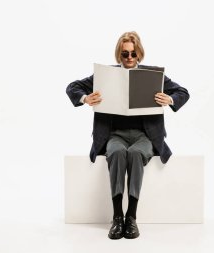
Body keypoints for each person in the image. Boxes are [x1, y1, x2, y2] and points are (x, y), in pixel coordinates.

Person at [66, 31, 189, 239]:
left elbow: (183, 92)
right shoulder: (106, 75)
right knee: (116, 152)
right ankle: (117, 218)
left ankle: (131, 217)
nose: (129, 58)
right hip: (116, 135)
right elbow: (73, 87)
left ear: (139, 53)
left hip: (144, 136)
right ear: (119, 55)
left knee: (135, 154)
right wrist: (86, 98)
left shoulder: (153, 75)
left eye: (133, 54)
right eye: (125, 54)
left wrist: (170, 99)